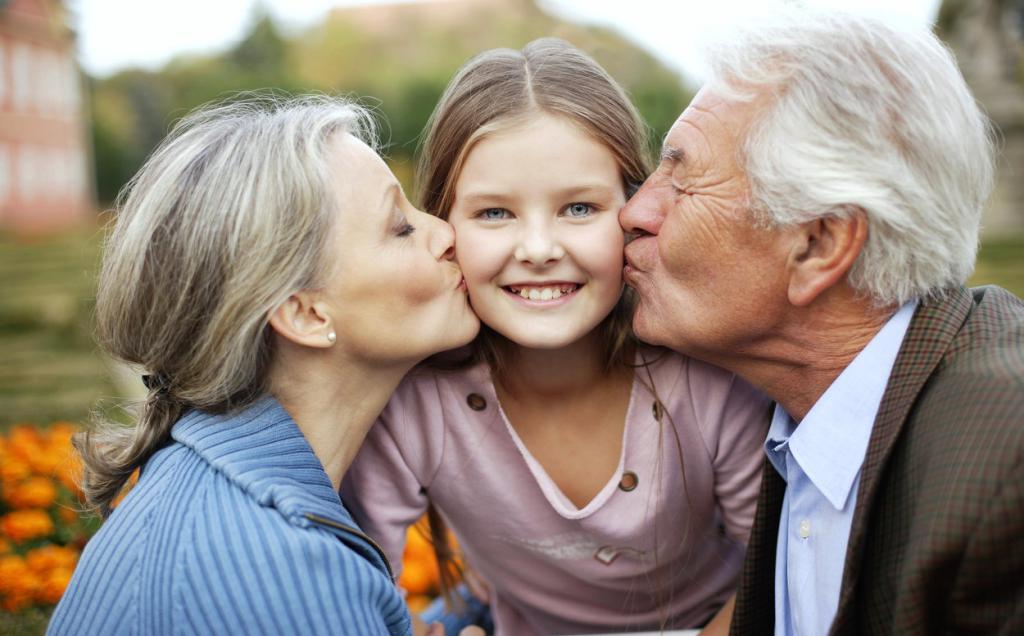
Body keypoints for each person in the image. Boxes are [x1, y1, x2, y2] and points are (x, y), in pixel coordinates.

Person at [341, 38, 770, 636]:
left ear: (633, 208)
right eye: (495, 213)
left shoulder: (707, 377)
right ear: (444, 225)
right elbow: (362, 587)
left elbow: (775, 571)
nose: (540, 250)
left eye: (578, 209)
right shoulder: (416, 399)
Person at [619, 11, 1024, 635]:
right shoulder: (805, 406)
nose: (636, 210)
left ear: (820, 245)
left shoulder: (1005, 468)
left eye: (683, 180)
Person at [48, 96, 480, 635]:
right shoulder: (283, 570)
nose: (445, 232)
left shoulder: (227, 496)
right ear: (302, 312)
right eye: (400, 227)